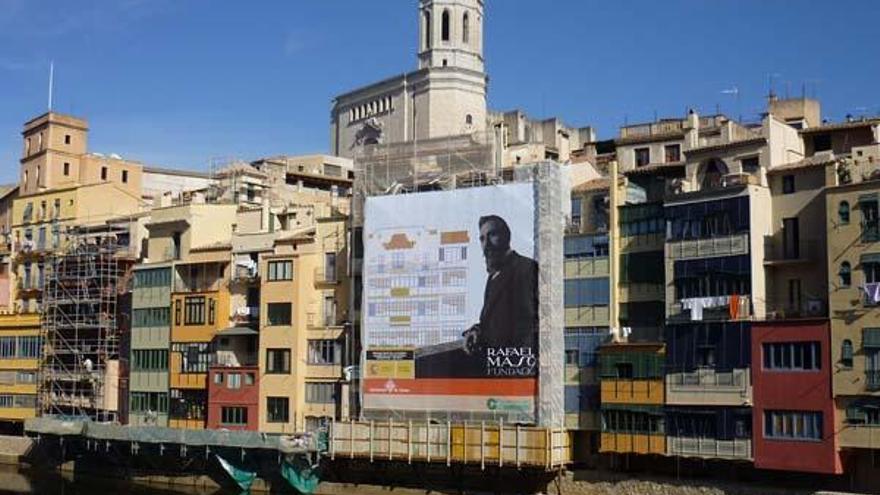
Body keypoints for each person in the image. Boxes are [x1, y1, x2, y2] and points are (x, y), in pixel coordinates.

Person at [415, 215, 538, 377]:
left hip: (511, 370)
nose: (486, 244)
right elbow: (496, 320)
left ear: (506, 237)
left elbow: (528, 322)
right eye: (482, 239)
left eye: (492, 235)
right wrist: (477, 331)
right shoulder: (494, 276)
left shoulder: (525, 268)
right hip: (497, 365)